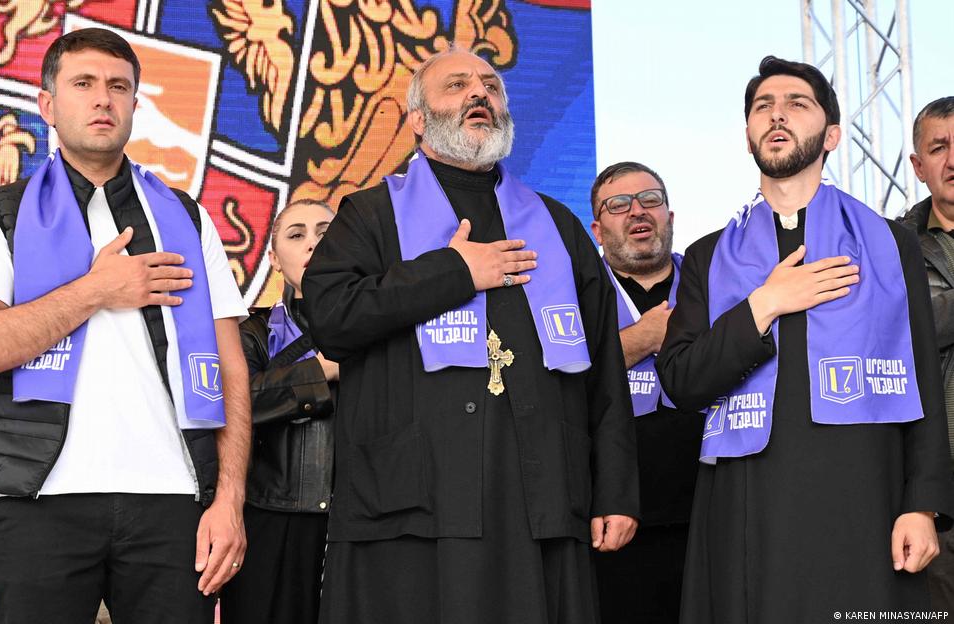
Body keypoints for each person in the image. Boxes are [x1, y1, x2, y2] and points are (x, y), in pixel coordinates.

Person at [301, 45, 639, 624]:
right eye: (457, 85)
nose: (480, 93)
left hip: (539, 502)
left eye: (491, 85)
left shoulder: (556, 226)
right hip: (410, 507)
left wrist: (615, 490)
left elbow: (605, 369)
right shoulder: (370, 214)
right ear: (416, 119)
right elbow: (332, 318)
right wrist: (454, 272)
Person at [0, 28, 251, 624]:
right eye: (82, 84)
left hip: (175, 500)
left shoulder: (186, 216)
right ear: (47, 104)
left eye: (119, 87)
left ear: (137, 104)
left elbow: (231, 365)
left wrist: (229, 499)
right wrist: (95, 291)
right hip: (39, 501)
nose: (103, 99)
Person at [656, 56, 954, 623]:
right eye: (762, 107)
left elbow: (920, 378)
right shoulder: (707, 256)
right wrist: (764, 304)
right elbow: (681, 381)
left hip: (865, 502)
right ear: (747, 137)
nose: (777, 115)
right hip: (748, 510)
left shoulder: (892, 245)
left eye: (797, 104)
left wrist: (924, 504)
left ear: (832, 134)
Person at [589, 161, 700, 624]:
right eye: (618, 205)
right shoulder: (575, 291)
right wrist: (643, 337)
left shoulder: (712, 281)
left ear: (670, 217)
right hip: (616, 517)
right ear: (597, 229)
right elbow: (548, 380)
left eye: (650, 200)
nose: (638, 211)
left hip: (709, 510)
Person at [219, 199, 339, 624]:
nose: (312, 244)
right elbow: (234, 401)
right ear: (273, 258)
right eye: (297, 235)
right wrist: (323, 371)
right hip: (270, 521)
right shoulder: (251, 331)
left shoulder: (379, 320)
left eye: (326, 232)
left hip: (358, 523)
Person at [897, 95, 954, 614]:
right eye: (939, 148)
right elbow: (902, 334)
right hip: (938, 494)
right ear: (918, 166)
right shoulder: (891, 246)